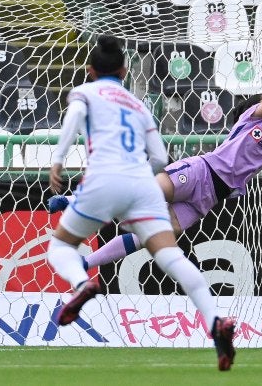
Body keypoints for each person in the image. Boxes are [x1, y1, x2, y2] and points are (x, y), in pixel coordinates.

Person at [47, 58, 262, 271]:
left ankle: (86, 263)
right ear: (257, 106)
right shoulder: (250, 119)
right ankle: (72, 201)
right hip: (201, 172)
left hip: (208, 199)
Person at [46, 35, 236, 371]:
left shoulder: (85, 92)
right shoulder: (138, 105)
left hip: (103, 177)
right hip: (143, 184)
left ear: (90, 70)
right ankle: (216, 319)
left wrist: (58, 160)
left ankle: (82, 284)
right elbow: (161, 157)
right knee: (172, 257)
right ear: (123, 70)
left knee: (60, 248)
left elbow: (75, 116)